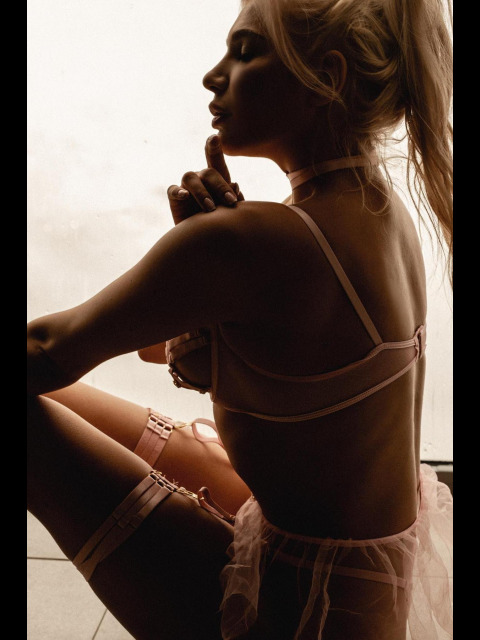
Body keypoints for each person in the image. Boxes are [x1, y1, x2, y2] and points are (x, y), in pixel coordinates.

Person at [27, 0, 453, 638]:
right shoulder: (379, 213)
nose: (213, 75)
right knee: (67, 403)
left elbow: (48, 348)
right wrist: (204, 279)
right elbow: (167, 350)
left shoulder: (262, 240)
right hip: (360, 587)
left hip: (299, 611)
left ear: (327, 78)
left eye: (246, 52)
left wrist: (204, 254)